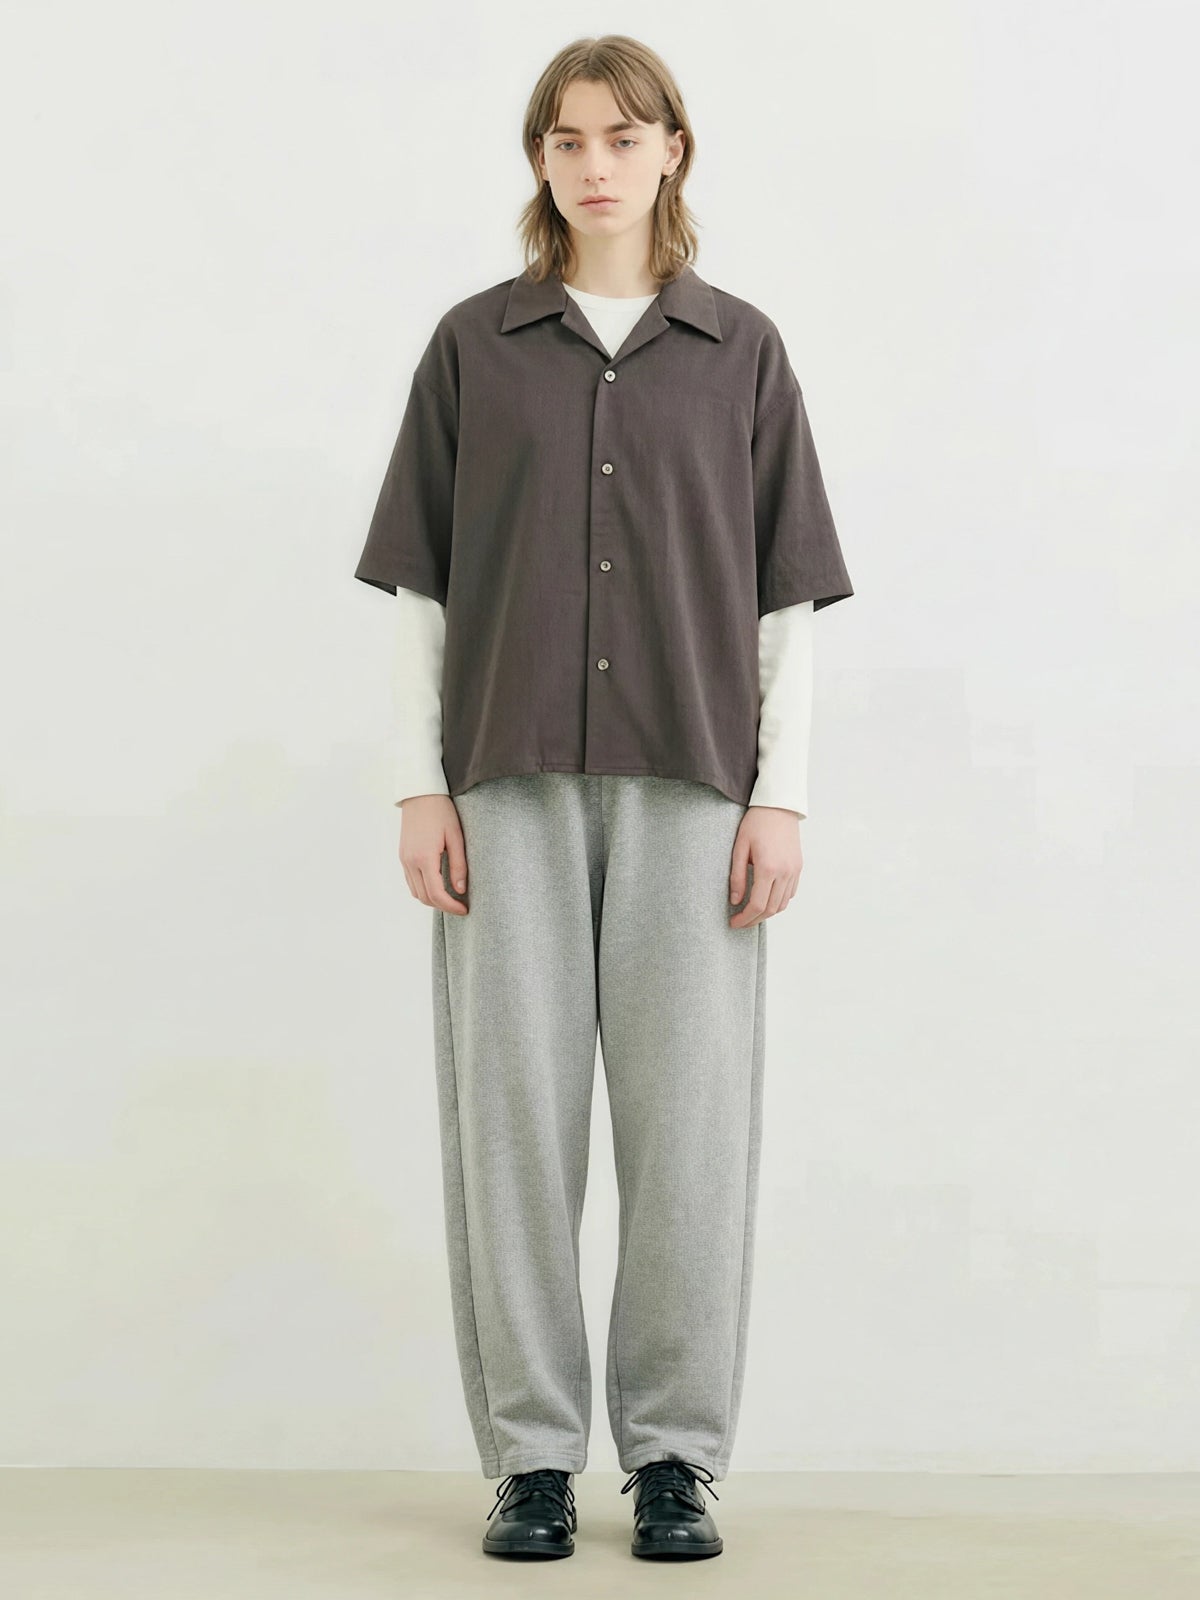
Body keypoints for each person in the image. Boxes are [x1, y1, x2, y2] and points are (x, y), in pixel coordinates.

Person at [354, 33, 854, 1562]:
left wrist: (783, 799)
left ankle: (676, 1455)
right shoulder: (474, 347)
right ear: (540, 159)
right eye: (566, 140)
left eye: (623, 138)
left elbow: (785, 601)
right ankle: (530, 1459)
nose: (594, 165)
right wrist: (417, 787)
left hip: (696, 785)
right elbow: (424, 591)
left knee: (691, 1129)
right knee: (512, 1126)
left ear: (672, 151)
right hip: (501, 782)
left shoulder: (743, 350)